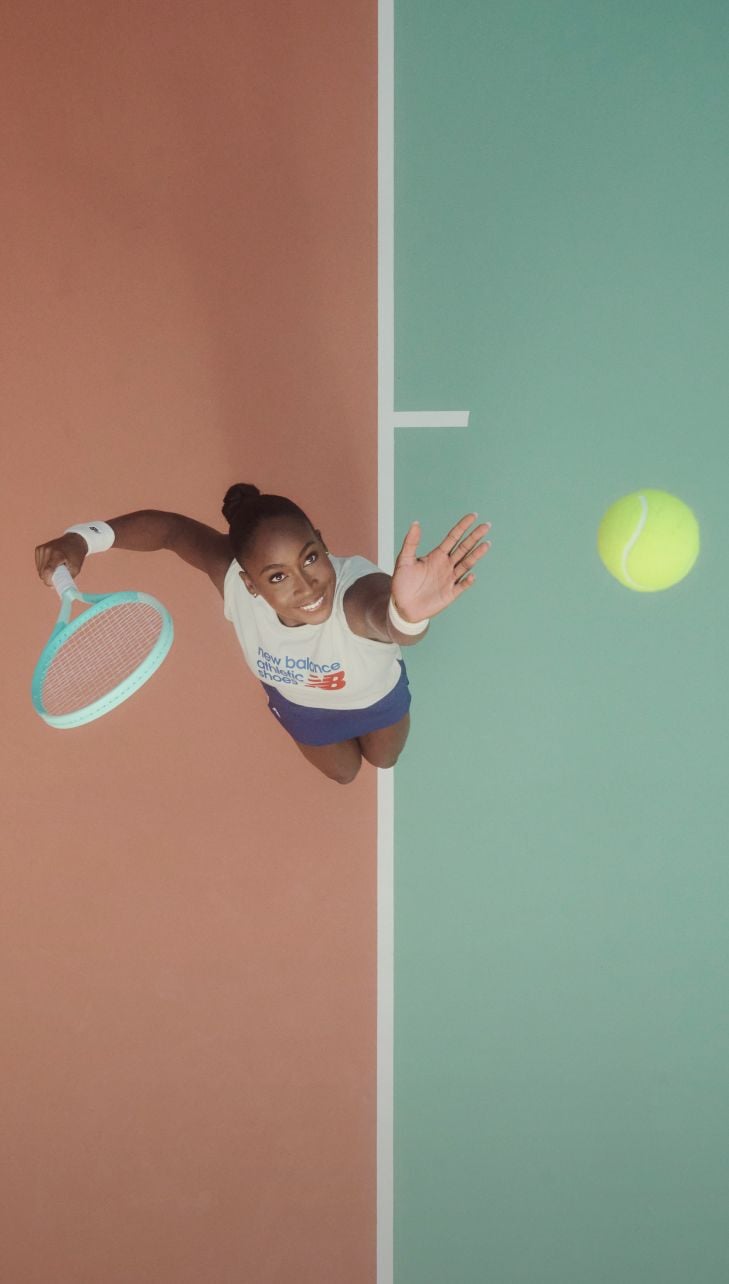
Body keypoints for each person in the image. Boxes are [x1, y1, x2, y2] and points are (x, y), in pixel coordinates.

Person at [35, 484, 491, 783]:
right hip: (301, 708)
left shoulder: (356, 595)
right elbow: (172, 531)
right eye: (277, 576)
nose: (307, 585)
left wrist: (406, 616)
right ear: (249, 583)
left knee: (385, 759)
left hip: (375, 700)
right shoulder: (233, 582)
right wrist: (84, 538)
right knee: (345, 773)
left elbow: (386, 619)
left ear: (322, 542)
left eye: (310, 557)